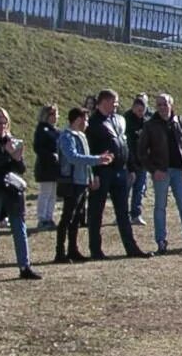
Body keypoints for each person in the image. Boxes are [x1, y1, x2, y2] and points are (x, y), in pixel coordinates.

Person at [0, 106, 41, 282]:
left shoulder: (10, 140)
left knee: (19, 228)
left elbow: (21, 168)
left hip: (12, 190)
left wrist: (18, 157)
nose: (2, 127)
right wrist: (7, 154)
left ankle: (24, 266)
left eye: (5, 123)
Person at [141, 92, 182, 253]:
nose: (162, 108)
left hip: (179, 172)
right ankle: (161, 242)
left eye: (165, 104)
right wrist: (153, 170)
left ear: (171, 105)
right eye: (159, 105)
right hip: (161, 172)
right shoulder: (150, 125)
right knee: (160, 208)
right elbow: (141, 152)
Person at [88, 91, 145, 259]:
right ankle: (96, 250)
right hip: (102, 171)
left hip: (120, 170)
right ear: (103, 102)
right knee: (96, 211)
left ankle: (131, 247)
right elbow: (89, 150)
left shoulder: (118, 120)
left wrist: (131, 167)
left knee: (123, 211)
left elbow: (125, 144)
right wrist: (93, 174)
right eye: (113, 102)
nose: (116, 105)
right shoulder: (93, 123)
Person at [54, 105, 98, 262]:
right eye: (85, 119)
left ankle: (73, 249)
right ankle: (60, 252)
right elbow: (73, 157)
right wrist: (98, 160)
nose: (87, 123)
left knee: (77, 218)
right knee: (67, 217)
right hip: (71, 181)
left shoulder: (82, 136)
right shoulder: (66, 137)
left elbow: (86, 157)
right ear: (78, 120)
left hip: (82, 181)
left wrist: (90, 177)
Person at [122, 93, 152, 226]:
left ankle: (136, 214)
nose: (141, 113)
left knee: (139, 189)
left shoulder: (146, 121)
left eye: (143, 111)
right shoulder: (126, 120)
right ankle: (122, 214)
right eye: (139, 110)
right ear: (133, 107)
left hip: (143, 161)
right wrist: (130, 162)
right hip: (129, 160)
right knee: (126, 189)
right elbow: (126, 143)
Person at [31, 104, 61, 232]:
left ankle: (49, 217)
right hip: (45, 166)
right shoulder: (41, 129)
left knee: (53, 194)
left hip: (55, 167)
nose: (55, 117)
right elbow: (38, 148)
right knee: (45, 193)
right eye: (52, 114)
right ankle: (42, 218)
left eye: (56, 114)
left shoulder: (55, 130)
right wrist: (50, 155)